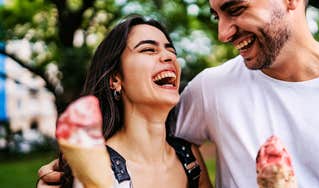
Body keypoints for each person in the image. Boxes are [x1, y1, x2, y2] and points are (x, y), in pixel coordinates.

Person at [39, 0, 319, 187]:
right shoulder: (212, 88)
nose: (222, 33)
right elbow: (143, 129)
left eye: (236, 9)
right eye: (216, 15)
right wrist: (72, 169)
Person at [38, 16, 212, 188]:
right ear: (115, 79)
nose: (168, 57)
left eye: (172, 51)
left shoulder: (189, 159)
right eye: (148, 50)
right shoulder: (93, 169)